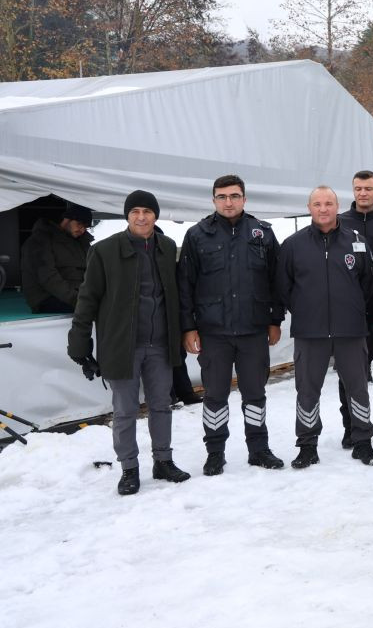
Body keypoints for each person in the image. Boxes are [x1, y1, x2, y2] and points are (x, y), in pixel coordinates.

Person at [68, 190, 190, 495]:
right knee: (125, 410)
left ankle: (163, 461)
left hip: (160, 345)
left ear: (155, 216)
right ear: (127, 216)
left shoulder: (166, 246)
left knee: (162, 405)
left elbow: (174, 296)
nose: (141, 216)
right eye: (134, 211)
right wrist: (80, 344)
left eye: (147, 211)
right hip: (123, 346)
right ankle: (129, 469)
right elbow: (87, 299)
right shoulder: (104, 251)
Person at [178, 175, 285, 476]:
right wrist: (188, 327)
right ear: (213, 200)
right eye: (222, 196)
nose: (228, 202)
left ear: (244, 199)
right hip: (214, 333)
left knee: (255, 393)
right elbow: (185, 285)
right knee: (214, 396)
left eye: (234, 196)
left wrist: (275, 320)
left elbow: (276, 281)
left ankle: (259, 450)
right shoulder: (197, 235)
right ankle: (215, 453)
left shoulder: (262, 233)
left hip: (253, 330)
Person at [276, 187, 373, 468]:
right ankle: (307, 445)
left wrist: (353, 307)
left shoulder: (356, 241)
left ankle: (362, 442)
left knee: (357, 389)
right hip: (311, 332)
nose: (323, 209)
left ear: (338, 206)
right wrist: (305, 309)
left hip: (350, 330)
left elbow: (368, 284)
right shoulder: (293, 244)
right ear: (309, 207)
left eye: (329, 204)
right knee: (308, 390)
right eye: (318, 204)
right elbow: (283, 287)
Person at [337, 169, 373, 446]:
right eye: (358, 188)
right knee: (352, 376)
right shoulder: (339, 224)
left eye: (368, 188)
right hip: (351, 317)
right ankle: (351, 426)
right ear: (353, 190)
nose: (363, 193)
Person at [22, 201, 94, 313]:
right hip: (46, 298)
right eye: (80, 224)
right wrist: (79, 300)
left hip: (78, 295)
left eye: (86, 227)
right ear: (67, 219)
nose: (82, 230)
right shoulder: (40, 240)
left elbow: (93, 270)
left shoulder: (82, 242)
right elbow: (48, 278)